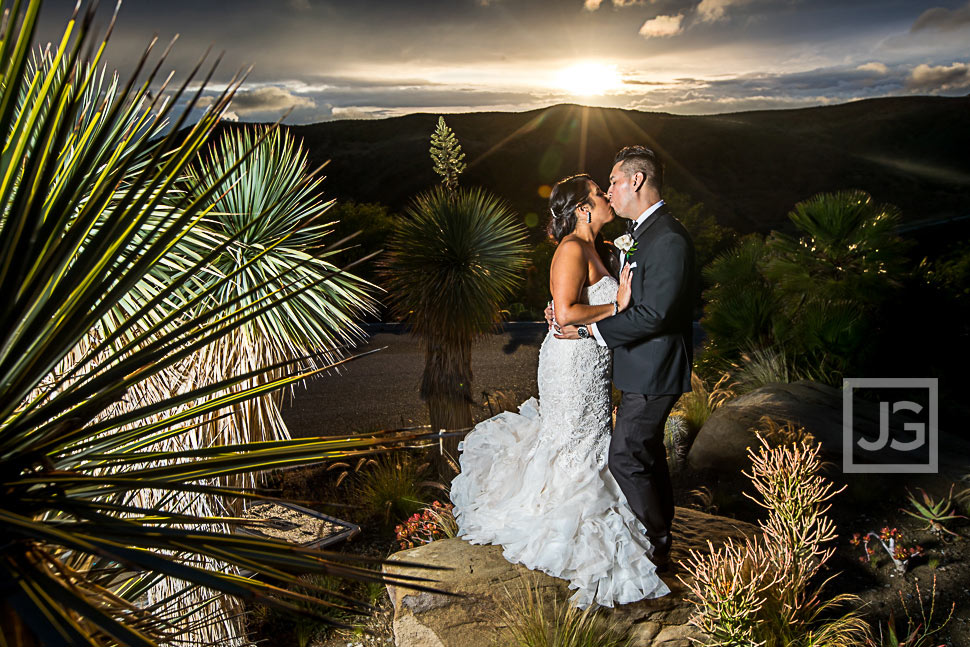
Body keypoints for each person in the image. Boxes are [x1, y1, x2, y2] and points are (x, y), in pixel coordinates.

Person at [450, 173, 671, 609]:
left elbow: (572, 307)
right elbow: (567, 313)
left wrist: (606, 311)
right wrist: (617, 306)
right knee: (575, 440)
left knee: (592, 438)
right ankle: (562, 520)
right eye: (599, 193)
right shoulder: (571, 248)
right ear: (584, 209)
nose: (608, 196)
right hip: (570, 364)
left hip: (593, 360)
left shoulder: (603, 248)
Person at [552, 145, 696, 572]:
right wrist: (567, 309)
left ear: (636, 180)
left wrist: (590, 328)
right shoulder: (639, 236)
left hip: (655, 368)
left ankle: (655, 540)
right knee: (646, 451)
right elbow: (600, 296)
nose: (610, 191)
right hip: (639, 366)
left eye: (613, 182)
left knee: (626, 455)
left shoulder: (667, 237)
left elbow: (654, 313)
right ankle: (661, 529)